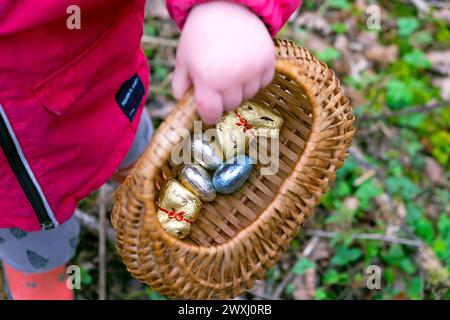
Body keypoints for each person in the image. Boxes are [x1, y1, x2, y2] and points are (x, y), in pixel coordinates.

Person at [0, 0, 301, 299]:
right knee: (38, 263)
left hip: (103, 104)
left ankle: (160, 216)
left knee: (144, 167)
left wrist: (226, 6)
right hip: (10, 205)